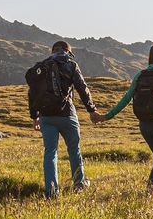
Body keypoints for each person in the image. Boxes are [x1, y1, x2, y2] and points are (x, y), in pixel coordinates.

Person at [102, 45, 153, 190]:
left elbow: (126, 98)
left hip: (144, 125)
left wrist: (108, 116)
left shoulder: (139, 75)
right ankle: (151, 190)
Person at [27, 40, 100, 197]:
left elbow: (32, 93)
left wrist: (35, 117)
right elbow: (82, 88)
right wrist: (91, 110)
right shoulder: (70, 64)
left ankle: (52, 192)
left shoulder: (41, 67)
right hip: (67, 115)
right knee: (74, 149)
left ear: (52, 50)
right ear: (68, 51)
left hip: (46, 117)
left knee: (50, 152)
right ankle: (79, 185)